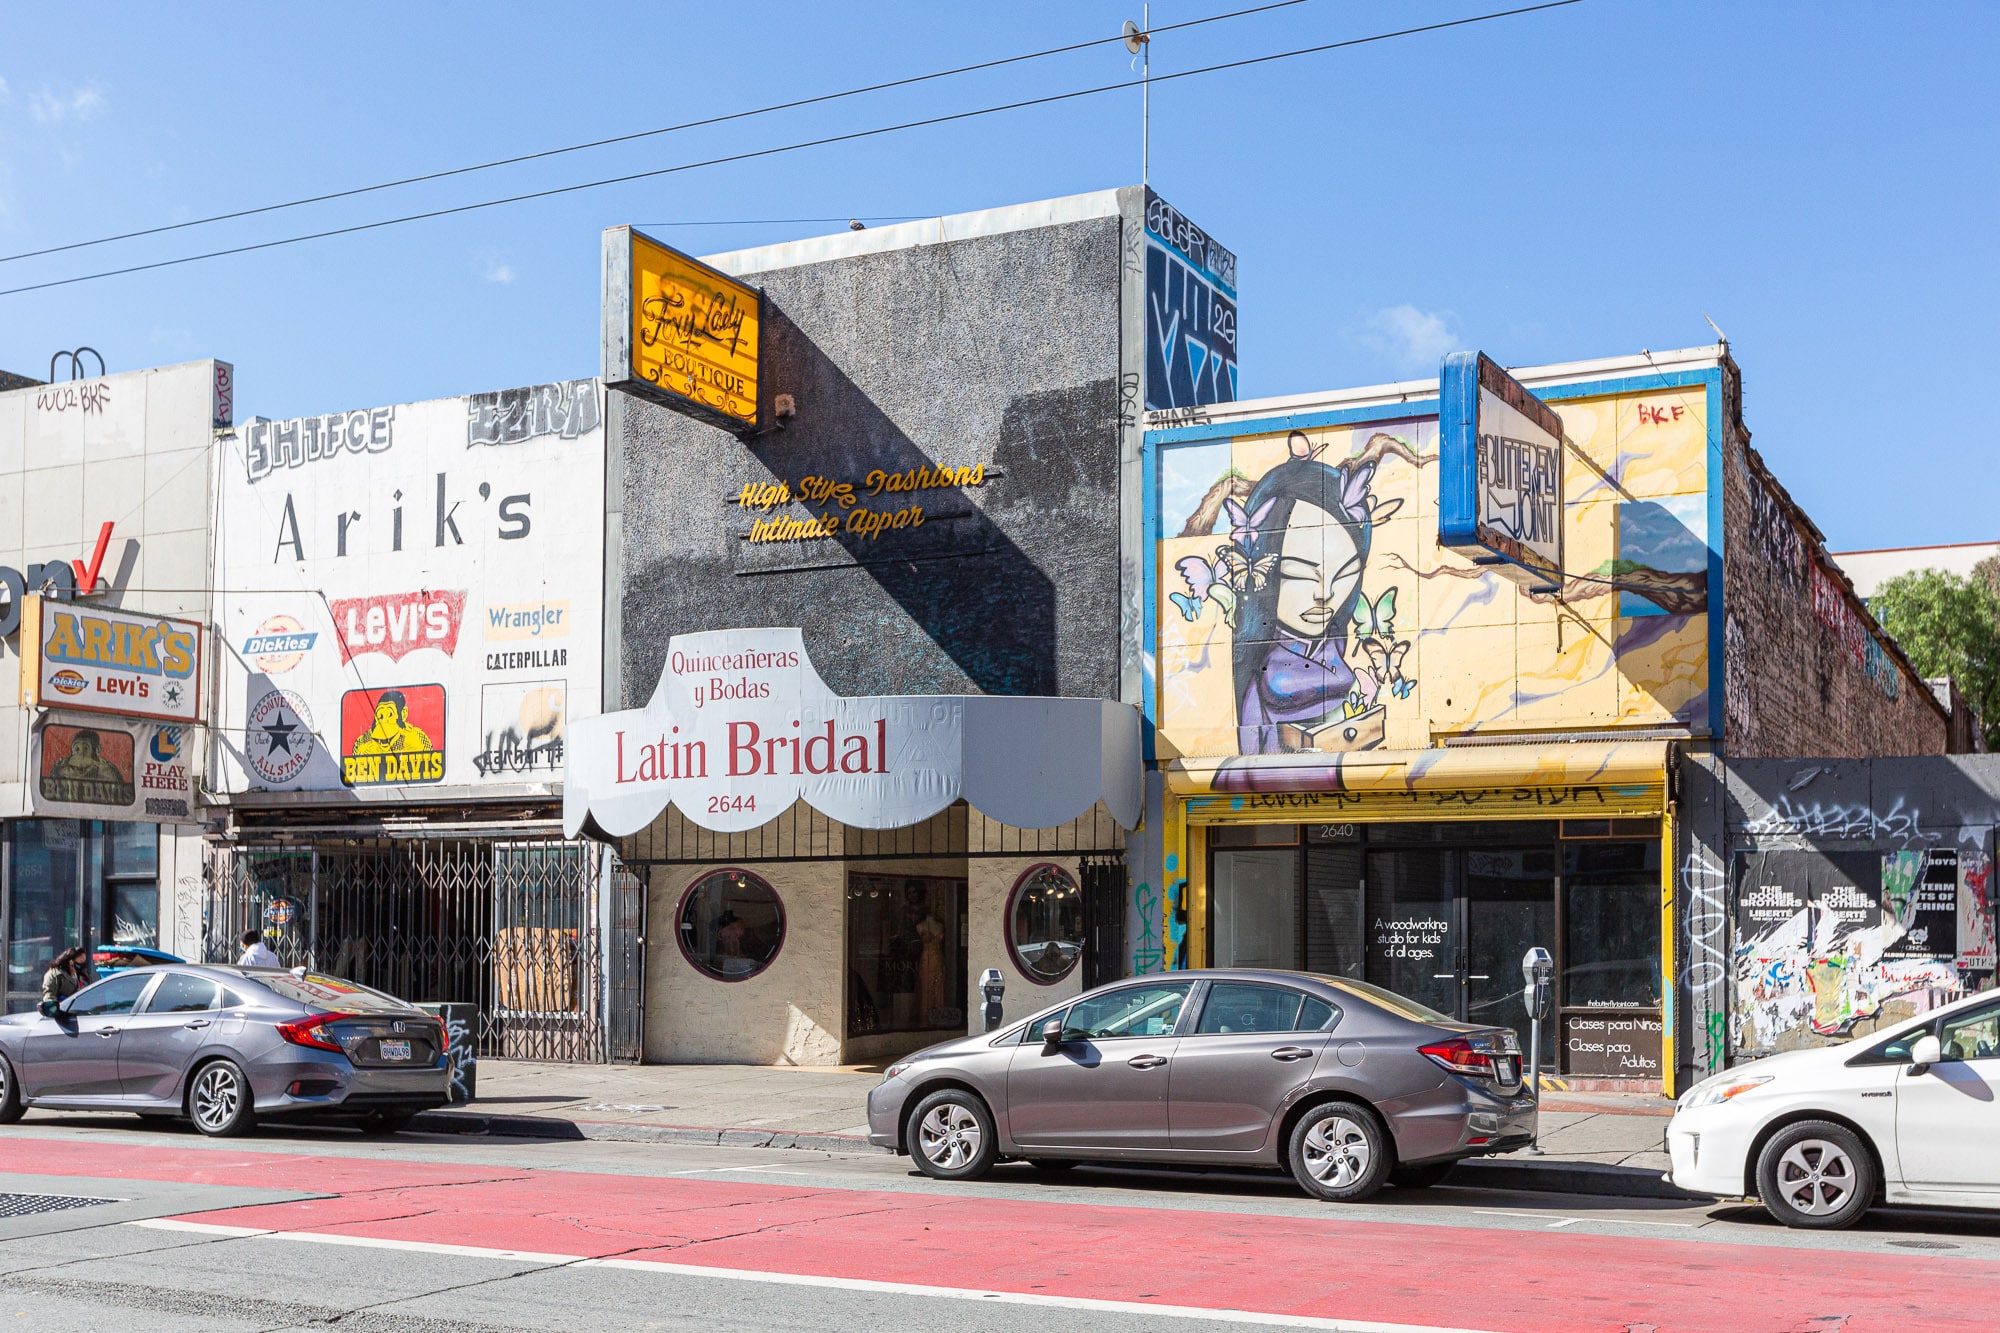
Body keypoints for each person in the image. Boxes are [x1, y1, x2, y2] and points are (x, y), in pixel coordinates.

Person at [40, 946, 86, 1016]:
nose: (82, 965)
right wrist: (54, 1010)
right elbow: (49, 995)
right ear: (70, 962)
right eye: (80, 961)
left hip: (81, 1014)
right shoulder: (55, 974)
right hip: (63, 1014)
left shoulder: (82, 974)